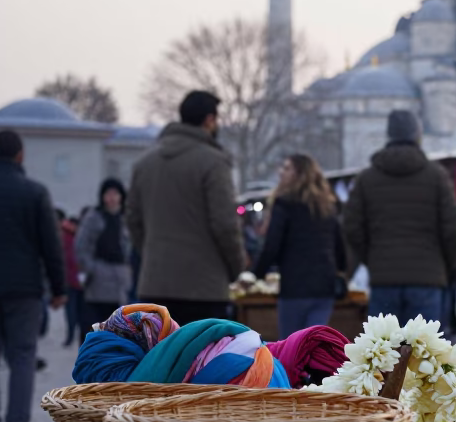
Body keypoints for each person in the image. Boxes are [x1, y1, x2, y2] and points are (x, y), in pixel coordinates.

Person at [0, 130, 66, 422]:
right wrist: (58, 288)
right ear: (20, 156)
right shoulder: (34, 192)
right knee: (22, 358)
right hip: (24, 291)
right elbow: (50, 246)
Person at [126, 90, 246, 327]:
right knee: (204, 361)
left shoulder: (144, 163)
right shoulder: (213, 162)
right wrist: (237, 269)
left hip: (155, 284)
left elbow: (133, 220)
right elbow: (224, 225)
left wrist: (152, 254)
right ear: (210, 120)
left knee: (161, 359)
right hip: (204, 288)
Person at [343, 110, 456, 326]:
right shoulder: (436, 176)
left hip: (383, 279)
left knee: (384, 354)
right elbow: (452, 228)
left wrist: (372, 258)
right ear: (418, 134)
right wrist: (446, 265)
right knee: (422, 353)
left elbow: (352, 227)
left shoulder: (367, 178)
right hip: (427, 277)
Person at [254, 154, 347, 339]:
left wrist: (255, 274)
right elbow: (339, 246)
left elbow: (272, 245)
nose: (282, 172)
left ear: (299, 174)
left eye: (287, 168)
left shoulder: (284, 204)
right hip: (324, 288)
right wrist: (342, 271)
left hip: (294, 287)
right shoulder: (327, 205)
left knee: (291, 347)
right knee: (314, 345)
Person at [75, 178, 134, 333]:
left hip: (121, 280)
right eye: (108, 194)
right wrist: (92, 269)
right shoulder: (93, 217)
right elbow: (81, 246)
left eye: (116, 194)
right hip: (98, 281)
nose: (112, 198)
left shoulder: (126, 218)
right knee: (95, 327)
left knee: (118, 329)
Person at [58, 209, 84, 347]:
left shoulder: (65, 237)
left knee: (76, 311)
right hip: (71, 281)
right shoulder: (68, 238)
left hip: (77, 281)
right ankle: (71, 335)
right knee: (72, 311)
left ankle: (73, 336)